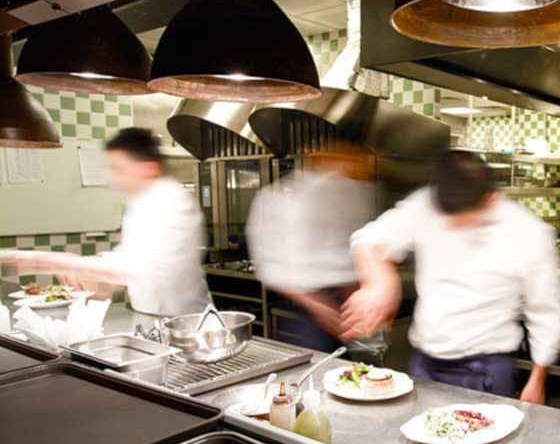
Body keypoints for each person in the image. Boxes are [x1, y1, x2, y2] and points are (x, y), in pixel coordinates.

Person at [341, 150, 560, 404]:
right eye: (447, 219)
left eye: (464, 221)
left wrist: (537, 381)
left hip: (484, 371)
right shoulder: (427, 203)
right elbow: (369, 238)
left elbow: (546, 313)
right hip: (425, 363)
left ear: (492, 199)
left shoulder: (528, 232)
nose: (453, 227)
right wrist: (379, 282)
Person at [8, 128, 211, 317]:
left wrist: (50, 261)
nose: (111, 177)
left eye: (118, 169)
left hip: (188, 323)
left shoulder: (171, 201)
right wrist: (101, 286)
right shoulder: (139, 203)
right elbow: (129, 261)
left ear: (148, 168)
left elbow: (148, 268)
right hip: (151, 318)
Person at [247, 145, 375, 352]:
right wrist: (319, 307)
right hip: (306, 309)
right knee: (312, 370)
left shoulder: (350, 191)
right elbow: (271, 267)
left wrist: (357, 294)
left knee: (354, 373)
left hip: (345, 303)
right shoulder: (278, 197)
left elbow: (352, 246)